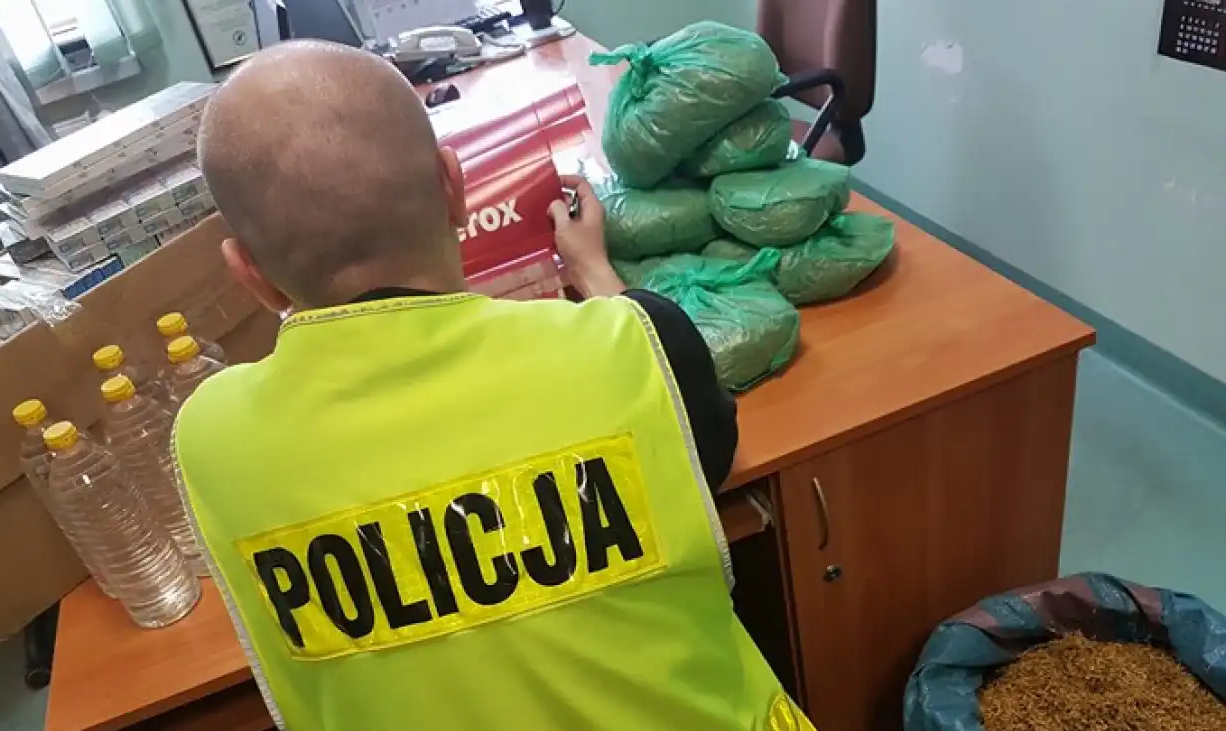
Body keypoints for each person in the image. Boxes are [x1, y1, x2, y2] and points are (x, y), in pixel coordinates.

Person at [176, 39, 813, 731]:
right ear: (454, 187)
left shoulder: (211, 439)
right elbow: (704, 456)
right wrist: (596, 274)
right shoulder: (638, 344)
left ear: (249, 273)